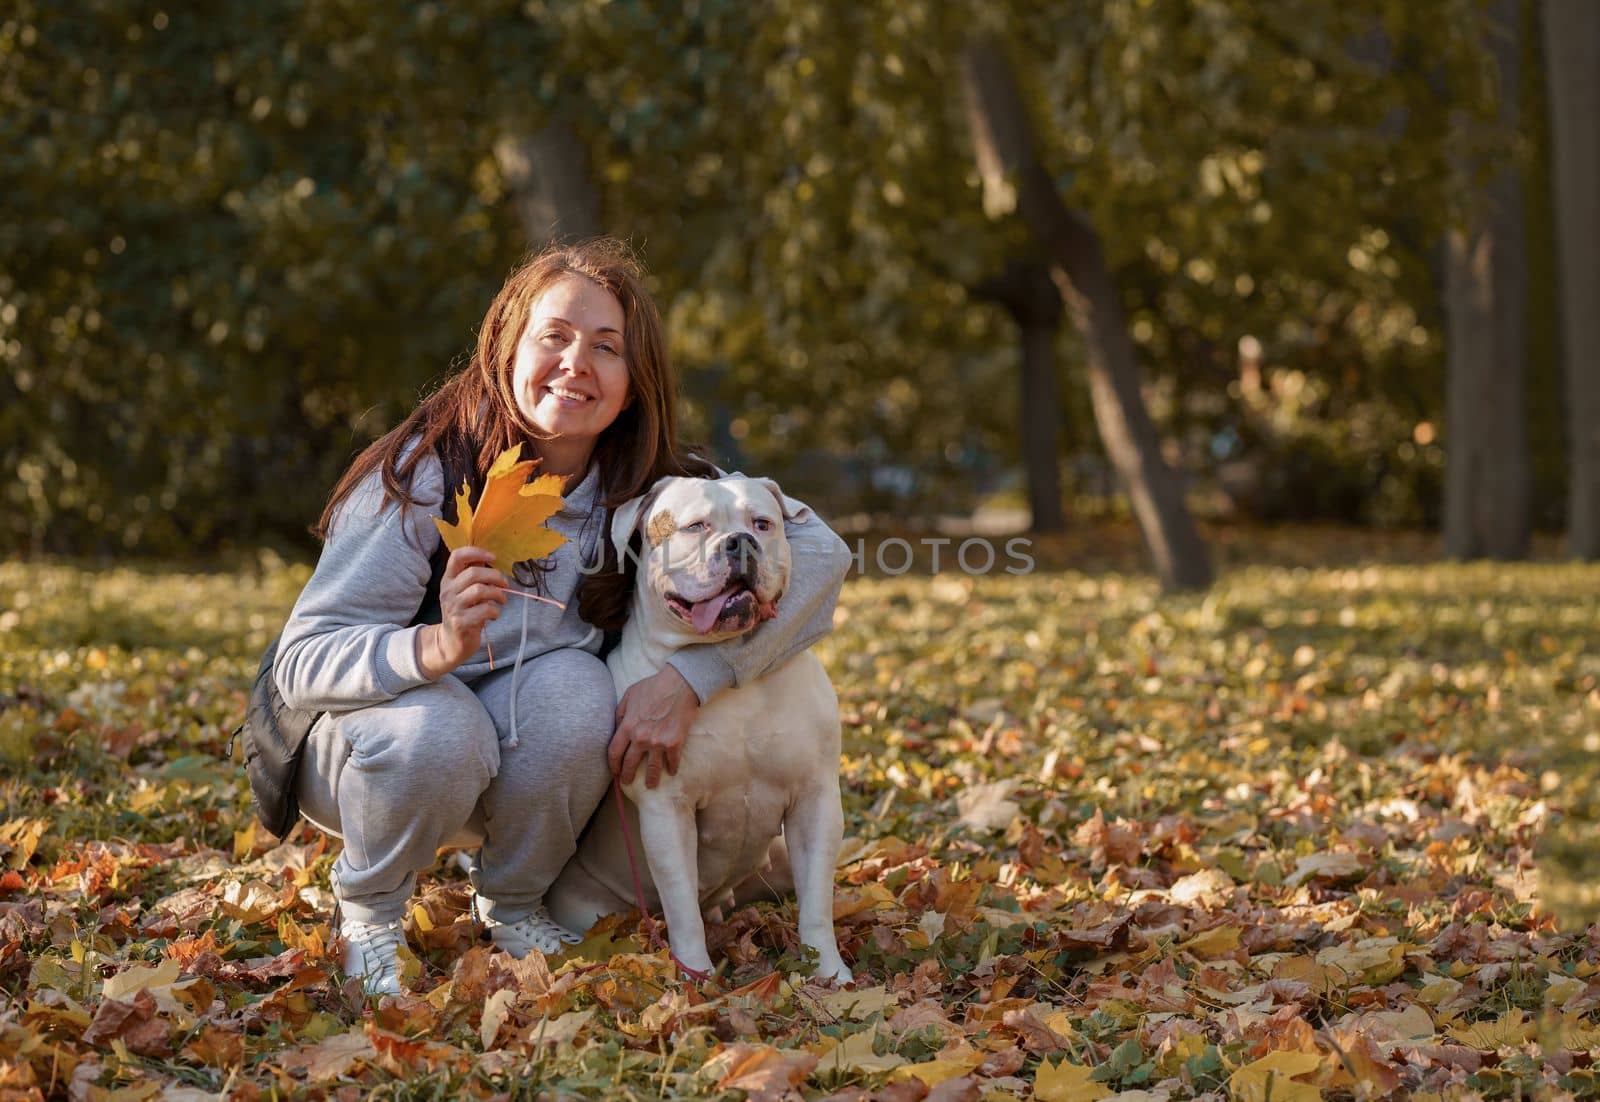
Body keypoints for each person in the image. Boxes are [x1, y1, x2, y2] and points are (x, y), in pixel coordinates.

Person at [273, 237, 851, 995]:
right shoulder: (423, 476)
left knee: (584, 690)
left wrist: (696, 672)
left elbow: (821, 557)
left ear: (633, 380)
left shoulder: (657, 484)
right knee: (442, 728)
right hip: (374, 748)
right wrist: (432, 646)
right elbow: (300, 661)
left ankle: (512, 903)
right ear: (506, 347)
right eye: (555, 337)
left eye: (607, 348)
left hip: (526, 751)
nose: (578, 362)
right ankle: (371, 915)